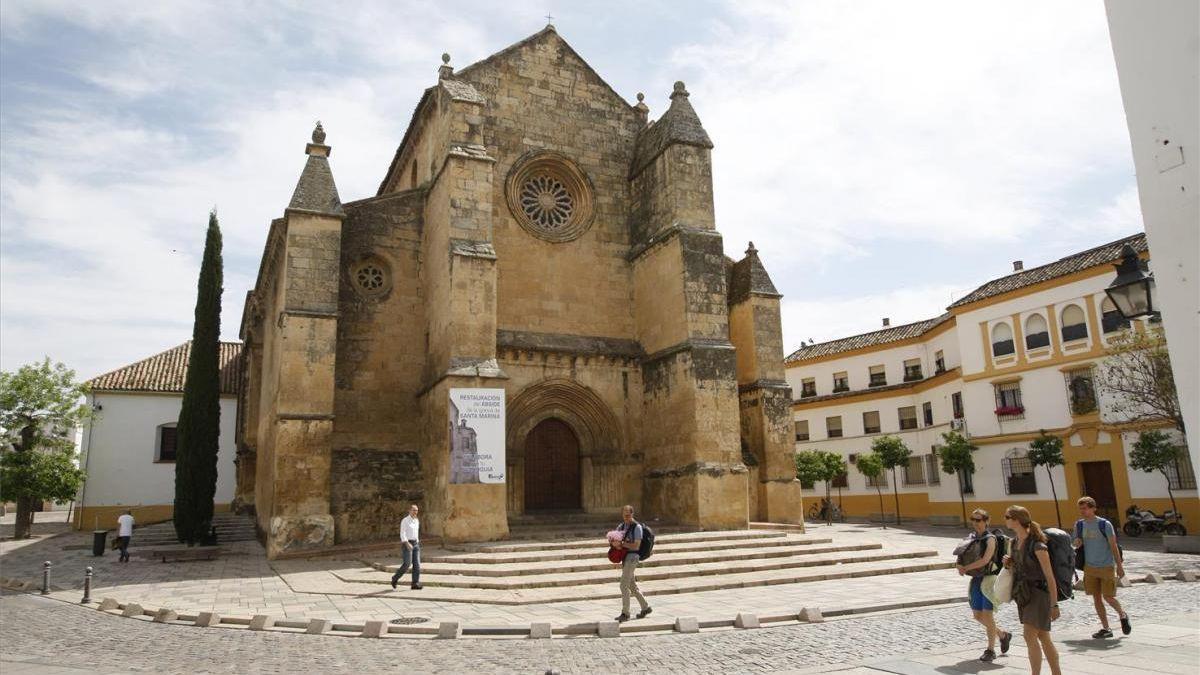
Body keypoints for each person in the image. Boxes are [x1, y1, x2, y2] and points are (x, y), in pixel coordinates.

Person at [1003, 505, 1061, 675]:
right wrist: (1010, 563)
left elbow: (1050, 577)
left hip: (1038, 594)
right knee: (1043, 637)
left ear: (1016, 520)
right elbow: (1020, 569)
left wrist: (1054, 605)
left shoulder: (1037, 546)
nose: (1004, 519)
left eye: (1007, 517)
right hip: (1023, 594)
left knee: (1029, 636)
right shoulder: (1013, 542)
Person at [956, 509, 1012, 662]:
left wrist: (966, 568)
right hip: (976, 580)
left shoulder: (990, 539)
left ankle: (990, 650)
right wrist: (959, 564)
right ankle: (1003, 635)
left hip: (989, 581)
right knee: (977, 615)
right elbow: (961, 553)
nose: (975, 523)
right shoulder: (971, 537)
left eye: (978, 520)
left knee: (987, 615)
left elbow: (985, 560)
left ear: (987, 521)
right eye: (973, 519)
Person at [1073, 496, 1130, 639]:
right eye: (1080, 509)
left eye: (1085, 508)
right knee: (1096, 598)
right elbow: (1077, 542)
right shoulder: (1079, 525)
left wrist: (1120, 566)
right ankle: (1106, 628)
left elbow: (1113, 546)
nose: (1083, 511)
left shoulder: (1104, 524)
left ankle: (1122, 615)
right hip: (1089, 566)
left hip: (1106, 566)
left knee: (1109, 597)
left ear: (1093, 508)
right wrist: (1077, 542)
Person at [612, 504, 651, 622]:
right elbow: (615, 539)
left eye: (628, 515)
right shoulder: (621, 526)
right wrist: (614, 543)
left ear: (632, 514)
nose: (626, 518)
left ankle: (625, 613)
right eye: (624, 516)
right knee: (632, 586)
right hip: (625, 558)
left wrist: (622, 544)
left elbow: (636, 545)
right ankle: (645, 607)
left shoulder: (637, 527)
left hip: (632, 557)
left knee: (623, 585)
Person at [390, 504, 422, 590]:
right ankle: (395, 578)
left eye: (416, 510)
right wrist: (407, 544)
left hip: (416, 544)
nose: (415, 512)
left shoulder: (417, 520)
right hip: (407, 544)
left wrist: (417, 542)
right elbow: (402, 533)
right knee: (407, 564)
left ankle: (415, 583)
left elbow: (416, 533)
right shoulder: (405, 521)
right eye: (414, 510)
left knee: (417, 565)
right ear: (409, 510)